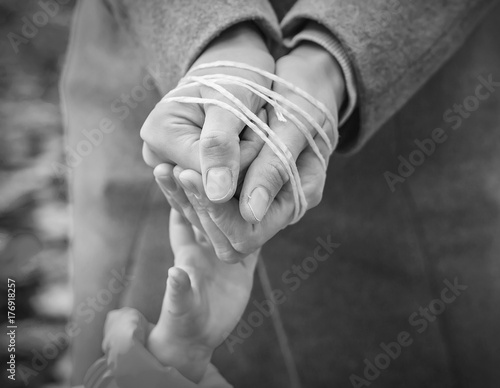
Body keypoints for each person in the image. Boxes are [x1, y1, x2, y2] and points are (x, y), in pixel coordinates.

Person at [62, 0, 500, 386]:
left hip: (411, 135)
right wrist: (214, 31)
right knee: (143, 352)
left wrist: (335, 53)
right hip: (162, 106)